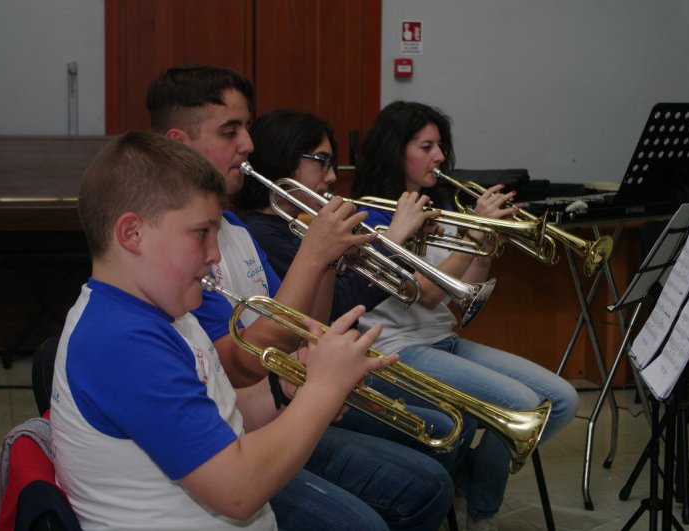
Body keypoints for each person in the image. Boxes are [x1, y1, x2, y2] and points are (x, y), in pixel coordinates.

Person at [145, 65, 454, 530]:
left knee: (431, 479)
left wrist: (322, 335)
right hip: (241, 438)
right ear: (179, 142)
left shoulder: (232, 230)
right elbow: (244, 360)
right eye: (231, 131)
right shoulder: (183, 247)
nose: (248, 145)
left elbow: (302, 323)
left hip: (274, 410)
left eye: (246, 128)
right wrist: (316, 256)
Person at [49, 131, 405, 529]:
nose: (215, 254)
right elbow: (238, 491)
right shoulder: (121, 340)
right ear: (132, 234)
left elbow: (226, 423)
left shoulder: (166, 317)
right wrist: (324, 389)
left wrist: (289, 394)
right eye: (202, 233)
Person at [349, 100, 580, 531]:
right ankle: (483, 512)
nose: (439, 156)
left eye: (440, 146)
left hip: (444, 341)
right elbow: (430, 293)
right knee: (522, 404)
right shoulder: (375, 214)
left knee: (562, 399)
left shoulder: (438, 205)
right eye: (426, 146)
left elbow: (465, 292)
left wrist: (486, 239)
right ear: (395, 150)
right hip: (396, 350)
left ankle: (469, 481)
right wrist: (473, 232)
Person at [235, 109, 477, 470]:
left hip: (342, 365)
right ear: (284, 155)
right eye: (322, 161)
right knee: (438, 436)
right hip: (299, 385)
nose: (332, 176)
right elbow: (337, 307)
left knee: (450, 427)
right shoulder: (259, 231)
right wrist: (394, 240)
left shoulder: (299, 224)